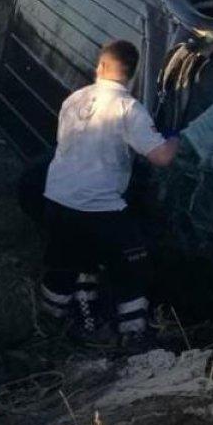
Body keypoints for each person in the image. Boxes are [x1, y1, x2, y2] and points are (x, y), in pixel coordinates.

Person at [40, 39, 179, 345]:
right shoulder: (128, 108)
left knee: (65, 264)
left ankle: (51, 329)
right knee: (133, 266)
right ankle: (133, 335)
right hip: (100, 207)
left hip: (57, 198)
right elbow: (161, 157)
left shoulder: (73, 99)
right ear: (132, 73)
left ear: (101, 66)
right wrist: (178, 138)